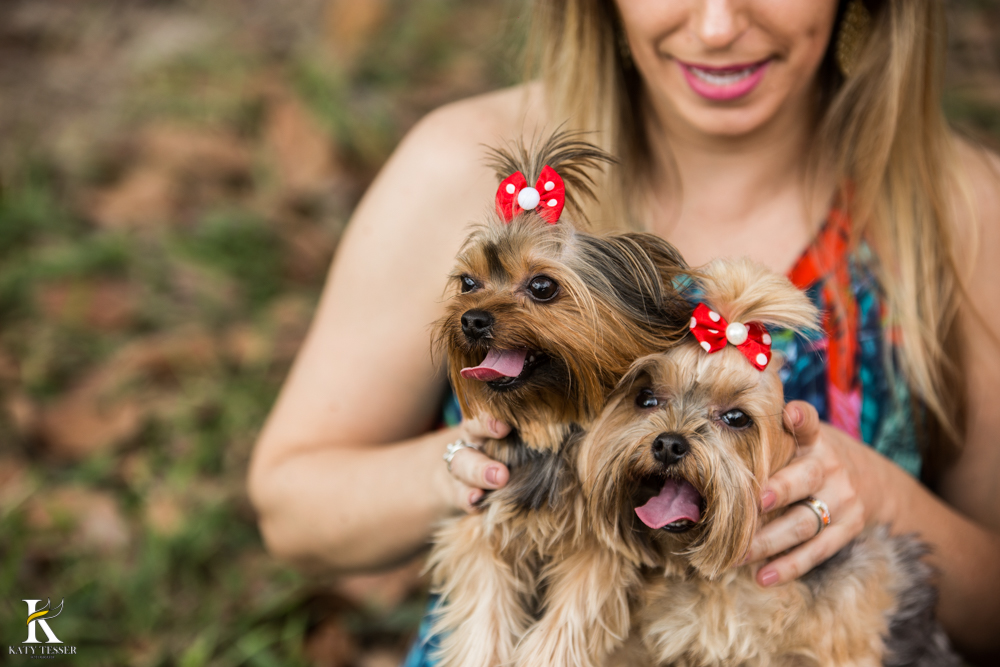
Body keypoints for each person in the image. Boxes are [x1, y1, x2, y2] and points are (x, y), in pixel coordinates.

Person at [248, 0, 1000, 662]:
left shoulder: (958, 205)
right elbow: (290, 508)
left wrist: (877, 489)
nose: (717, 25)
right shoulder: (458, 165)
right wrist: (474, 467)